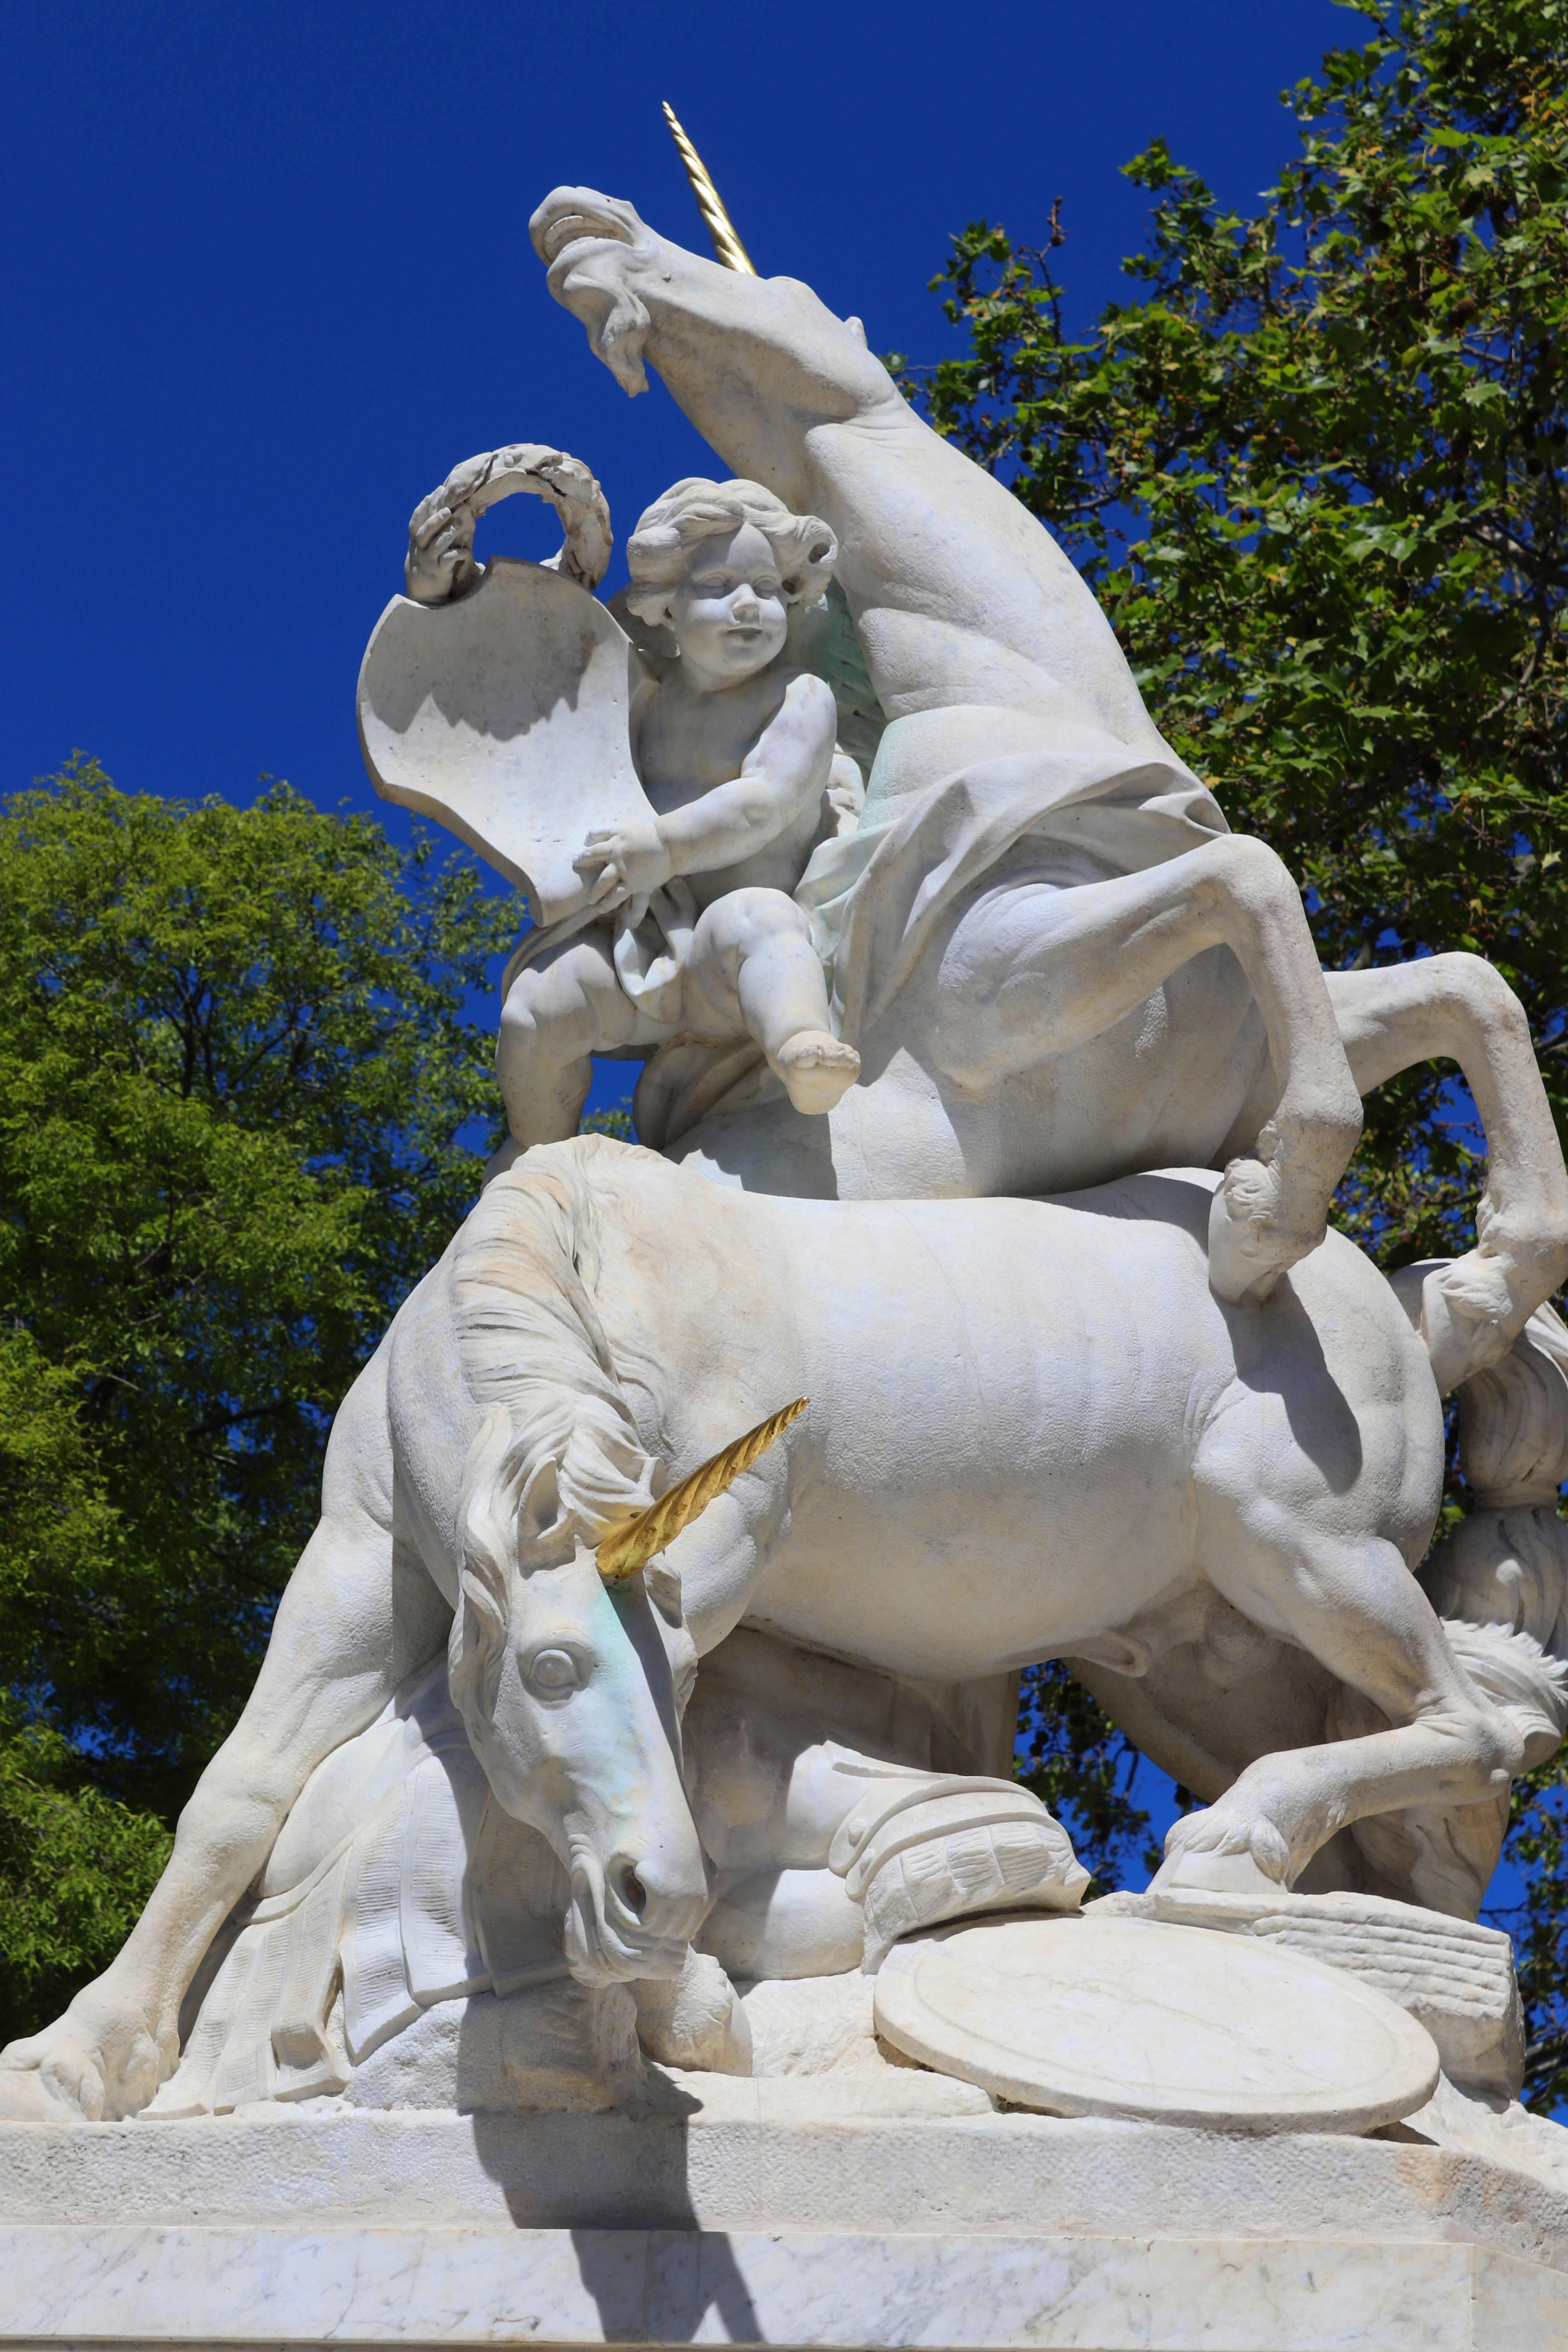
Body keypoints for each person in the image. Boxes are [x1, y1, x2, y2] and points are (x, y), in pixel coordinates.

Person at [494, 477, 861, 1154]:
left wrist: (662, 844)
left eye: (768, 587)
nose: (749, 605)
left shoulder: (798, 696)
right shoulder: (642, 698)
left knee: (763, 921)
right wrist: (451, 588)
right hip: (647, 933)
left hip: (734, 942)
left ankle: (802, 1044)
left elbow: (765, 803)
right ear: (665, 605)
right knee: (533, 1013)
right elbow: (544, 655)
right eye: (719, 586)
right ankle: (533, 1152)